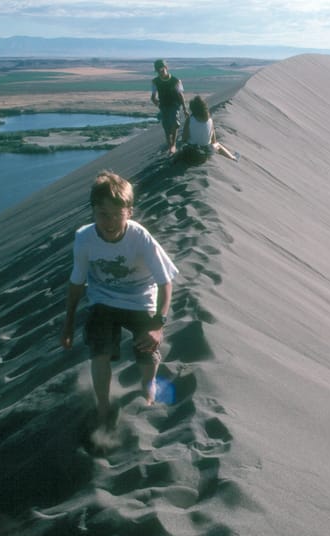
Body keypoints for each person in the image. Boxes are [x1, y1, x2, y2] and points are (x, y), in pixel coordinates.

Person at [61, 170, 179, 428]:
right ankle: (103, 406)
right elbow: (76, 282)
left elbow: (165, 281)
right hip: (104, 300)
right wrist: (68, 323)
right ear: (92, 211)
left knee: (147, 350)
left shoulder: (140, 237)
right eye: (103, 214)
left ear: (129, 212)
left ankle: (148, 393)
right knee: (99, 351)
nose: (110, 222)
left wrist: (158, 325)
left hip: (140, 300)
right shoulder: (84, 238)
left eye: (117, 214)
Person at [179, 95, 239, 162]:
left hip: (192, 151)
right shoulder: (210, 120)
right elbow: (214, 141)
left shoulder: (189, 120)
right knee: (218, 145)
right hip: (206, 152)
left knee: (181, 147)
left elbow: (184, 138)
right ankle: (233, 157)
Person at [151, 59, 188, 154]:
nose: (160, 73)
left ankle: (173, 144)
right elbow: (153, 95)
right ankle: (170, 145)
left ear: (166, 68)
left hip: (174, 105)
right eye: (158, 71)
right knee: (166, 127)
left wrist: (184, 108)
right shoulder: (155, 81)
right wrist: (155, 101)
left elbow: (181, 95)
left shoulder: (175, 80)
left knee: (175, 123)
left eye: (162, 70)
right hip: (163, 105)